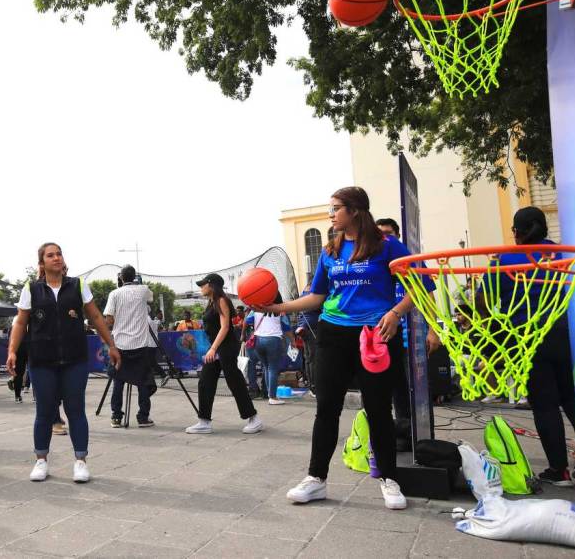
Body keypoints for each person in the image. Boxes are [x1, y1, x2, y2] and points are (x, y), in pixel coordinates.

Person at [269, 186, 430, 510]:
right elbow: (317, 296)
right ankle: (316, 479)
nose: (331, 214)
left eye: (335, 208)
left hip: (374, 337)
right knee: (326, 408)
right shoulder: (330, 250)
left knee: (379, 411)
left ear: (354, 210)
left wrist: (396, 313)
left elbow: (422, 285)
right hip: (333, 335)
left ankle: (388, 478)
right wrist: (280, 308)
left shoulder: (387, 246)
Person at [5, 242, 120, 483]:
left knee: (75, 410)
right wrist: (12, 351)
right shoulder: (32, 288)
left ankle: (80, 462)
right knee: (44, 412)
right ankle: (41, 461)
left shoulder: (77, 285)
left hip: (74, 359)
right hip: (42, 359)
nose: (56, 258)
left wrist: (111, 344)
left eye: (59, 254)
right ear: (42, 263)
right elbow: (19, 322)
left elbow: (96, 316)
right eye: (50, 255)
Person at [493, 207, 575, 486]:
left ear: (517, 232)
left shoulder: (504, 259)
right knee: (572, 400)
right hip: (564, 333)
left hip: (527, 338)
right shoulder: (564, 254)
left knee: (544, 405)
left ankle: (559, 469)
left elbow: (484, 298)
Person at [184, 274, 262, 435]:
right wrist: (212, 348)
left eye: (203, 284)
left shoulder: (222, 300)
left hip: (226, 347)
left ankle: (254, 418)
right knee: (205, 381)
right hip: (216, 347)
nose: (201, 287)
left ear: (212, 285)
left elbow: (225, 327)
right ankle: (204, 421)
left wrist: (213, 349)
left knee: (235, 381)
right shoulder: (211, 303)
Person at [376, 217, 413, 451]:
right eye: (380, 234)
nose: (385, 238)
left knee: (409, 392)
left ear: (397, 235)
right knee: (388, 390)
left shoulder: (408, 265)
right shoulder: (379, 270)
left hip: (412, 339)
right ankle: (393, 434)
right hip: (387, 339)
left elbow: (426, 295)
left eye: (389, 233)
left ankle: (410, 433)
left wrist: (432, 332)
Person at [104, 265, 156, 428]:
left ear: (121, 278)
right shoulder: (143, 290)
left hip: (120, 344)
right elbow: (151, 298)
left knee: (118, 381)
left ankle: (116, 417)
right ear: (134, 277)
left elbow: (109, 319)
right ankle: (143, 417)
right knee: (143, 381)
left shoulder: (114, 293)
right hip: (140, 344)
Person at [245, 292, 295, 405]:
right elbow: (286, 328)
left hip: (258, 340)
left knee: (266, 367)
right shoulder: (280, 311)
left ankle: (269, 394)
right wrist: (292, 341)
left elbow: (247, 321)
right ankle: (272, 397)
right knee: (272, 368)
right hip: (273, 340)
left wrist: (243, 334)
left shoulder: (257, 309)